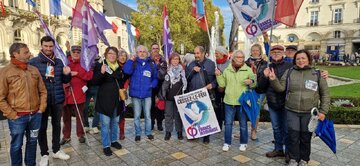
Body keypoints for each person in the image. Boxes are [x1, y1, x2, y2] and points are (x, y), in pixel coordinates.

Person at [266, 50, 330, 166]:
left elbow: (325, 94)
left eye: (303, 58)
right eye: (298, 59)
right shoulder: (290, 72)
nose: (301, 61)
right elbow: (280, 88)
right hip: (291, 111)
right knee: (293, 136)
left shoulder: (317, 73)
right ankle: (294, 159)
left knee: (305, 137)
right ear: (295, 60)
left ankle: (304, 159)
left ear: (308, 59)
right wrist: (273, 79)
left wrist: (323, 111)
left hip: (309, 113)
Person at [0, 43, 47, 166]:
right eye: (25, 52)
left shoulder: (33, 70)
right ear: (15, 54)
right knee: (16, 145)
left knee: (32, 143)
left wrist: (41, 108)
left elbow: (42, 91)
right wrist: (12, 114)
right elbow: (1, 98)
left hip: (35, 116)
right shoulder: (5, 72)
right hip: (18, 118)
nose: (29, 54)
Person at [29, 36, 72, 165]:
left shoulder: (59, 62)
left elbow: (65, 81)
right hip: (42, 101)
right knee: (42, 128)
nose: (48, 48)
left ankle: (56, 150)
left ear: (54, 47)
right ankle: (44, 154)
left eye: (50, 46)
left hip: (57, 100)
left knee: (57, 125)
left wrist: (67, 74)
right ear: (41, 46)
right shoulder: (34, 62)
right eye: (46, 46)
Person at [256, 45, 293, 159]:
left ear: (283, 53)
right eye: (274, 51)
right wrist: (264, 76)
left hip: (287, 102)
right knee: (276, 127)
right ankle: (278, 149)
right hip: (272, 102)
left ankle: (288, 151)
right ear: (270, 54)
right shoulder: (266, 66)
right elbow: (260, 88)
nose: (276, 53)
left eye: (279, 51)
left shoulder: (290, 66)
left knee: (287, 128)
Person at [215, 50, 255, 152]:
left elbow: (255, 83)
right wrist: (218, 75)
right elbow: (222, 85)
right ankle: (227, 143)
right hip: (228, 101)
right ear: (233, 58)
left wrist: (251, 81)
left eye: (242, 57)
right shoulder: (227, 70)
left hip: (242, 102)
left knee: (243, 124)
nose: (240, 59)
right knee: (228, 124)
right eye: (238, 57)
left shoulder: (248, 70)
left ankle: (243, 143)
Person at [92, 47, 125, 156]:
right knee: (105, 124)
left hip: (116, 100)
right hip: (104, 100)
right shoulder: (101, 66)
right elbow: (95, 81)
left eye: (114, 54)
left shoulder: (119, 68)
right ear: (106, 55)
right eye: (110, 53)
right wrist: (101, 73)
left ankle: (114, 141)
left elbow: (121, 81)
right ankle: (106, 145)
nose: (112, 55)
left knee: (115, 122)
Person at [123, 45, 158, 142]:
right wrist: (130, 60)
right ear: (137, 53)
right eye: (140, 51)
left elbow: (155, 78)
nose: (142, 53)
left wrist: (152, 85)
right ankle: (138, 133)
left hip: (147, 94)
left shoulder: (151, 64)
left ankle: (148, 133)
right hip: (135, 94)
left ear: (147, 53)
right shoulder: (133, 63)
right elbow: (126, 71)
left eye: (144, 52)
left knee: (147, 115)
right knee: (137, 115)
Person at [60, 46, 93, 145]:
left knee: (80, 116)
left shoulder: (85, 63)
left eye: (78, 52)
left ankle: (80, 134)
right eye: (74, 52)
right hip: (67, 94)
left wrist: (77, 73)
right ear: (71, 52)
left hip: (79, 94)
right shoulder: (65, 62)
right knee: (66, 117)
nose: (76, 53)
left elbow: (89, 76)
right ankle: (66, 136)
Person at [185, 46, 216, 144]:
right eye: (195, 53)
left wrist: (213, 84)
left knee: (205, 114)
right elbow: (186, 79)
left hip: (205, 95)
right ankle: (194, 133)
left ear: (203, 53)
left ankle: (206, 136)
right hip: (193, 94)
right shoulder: (191, 64)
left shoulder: (211, 64)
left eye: (198, 53)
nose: (196, 55)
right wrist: (193, 71)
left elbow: (217, 78)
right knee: (194, 114)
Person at [160, 52, 187, 140]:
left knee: (178, 115)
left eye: (177, 59)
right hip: (169, 96)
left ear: (179, 60)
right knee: (168, 115)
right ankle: (168, 132)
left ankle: (179, 132)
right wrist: (163, 93)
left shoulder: (182, 71)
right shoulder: (167, 70)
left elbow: (185, 83)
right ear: (170, 60)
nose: (175, 61)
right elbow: (164, 84)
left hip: (179, 97)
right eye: (173, 59)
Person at [245, 43, 268, 140]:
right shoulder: (246, 62)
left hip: (259, 90)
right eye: (253, 50)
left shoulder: (264, 62)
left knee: (256, 110)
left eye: (257, 50)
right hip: (248, 89)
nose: (254, 52)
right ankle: (245, 130)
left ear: (260, 52)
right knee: (247, 109)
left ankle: (254, 130)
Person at [150, 43, 166, 131]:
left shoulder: (163, 61)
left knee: (160, 106)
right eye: (153, 48)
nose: (155, 50)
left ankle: (159, 123)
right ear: (151, 49)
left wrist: (157, 66)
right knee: (151, 106)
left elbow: (162, 75)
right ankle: (152, 123)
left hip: (160, 86)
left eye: (157, 48)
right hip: (150, 87)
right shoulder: (148, 60)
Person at [214, 46, 230, 130]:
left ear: (222, 53)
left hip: (226, 89)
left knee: (226, 107)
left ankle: (227, 124)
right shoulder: (214, 62)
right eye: (215, 52)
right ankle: (218, 125)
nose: (215, 54)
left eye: (217, 52)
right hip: (216, 89)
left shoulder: (229, 63)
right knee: (217, 107)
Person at [118, 49, 130, 140]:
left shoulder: (128, 67)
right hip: (114, 92)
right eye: (121, 55)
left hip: (124, 92)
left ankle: (122, 132)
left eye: (124, 56)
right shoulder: (114, 66)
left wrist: (124, 90)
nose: (122, 57)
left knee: (122, 113)